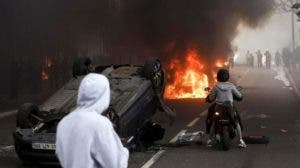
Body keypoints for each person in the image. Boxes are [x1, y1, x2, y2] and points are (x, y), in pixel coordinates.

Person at [56, 73, 129, 168]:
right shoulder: (100, 124)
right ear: (103, 95)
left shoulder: (63, 123)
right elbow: (114, 164)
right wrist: (124, 152)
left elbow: (60, 154)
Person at [205, 69, 247, 148]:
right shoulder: (231, 86)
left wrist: (208, 98)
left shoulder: (216, 86)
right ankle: (241, 140)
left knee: (214, 122)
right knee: (236, 121)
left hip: (218, 107)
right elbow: (239, 96)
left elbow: (211, 98)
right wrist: (240, 97)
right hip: (229, 107)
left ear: (218, 77)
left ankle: (209, 140)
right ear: (227, 77)